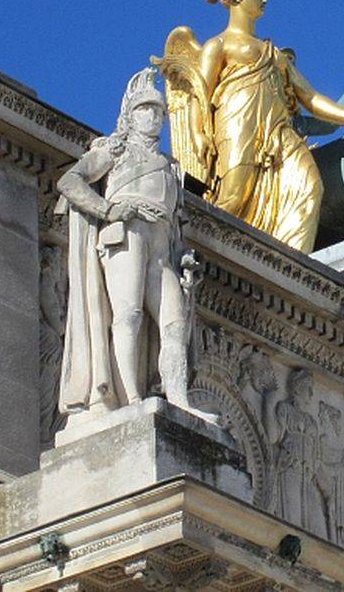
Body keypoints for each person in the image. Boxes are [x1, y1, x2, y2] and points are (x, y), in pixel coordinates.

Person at [157, 0, 344, 252]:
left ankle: (291, 268)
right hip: (237, 124)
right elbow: (200, 93)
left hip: (278, 133)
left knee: (309, 187)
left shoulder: (274, 53)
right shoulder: (218, 45)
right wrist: (199, 133)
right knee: (234, 195)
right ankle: (193, 251)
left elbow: (310, 98)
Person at [54, 67, 214, 430]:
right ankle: (130, 399)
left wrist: (183, 255)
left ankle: (179, 401)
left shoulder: (170, 167)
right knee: (127, 316)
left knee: (174, 325)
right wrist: (106, 209)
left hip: (162, 249)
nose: (153, 117)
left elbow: (175, 224)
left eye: (158, 112)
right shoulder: (115, 150)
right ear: (130, 115)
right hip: (125, 236)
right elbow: (70, 181)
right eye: (145, 110)